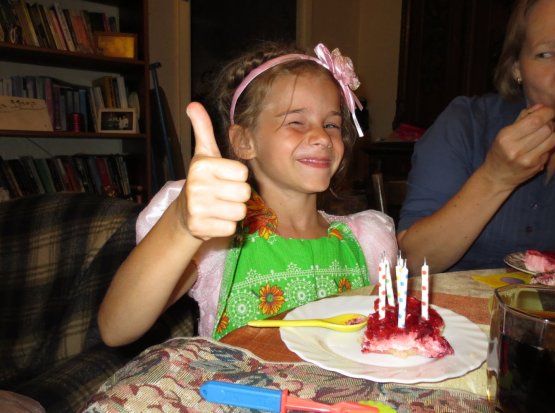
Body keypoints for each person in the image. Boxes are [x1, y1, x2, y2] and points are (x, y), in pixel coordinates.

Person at [98, 42, 398, 346]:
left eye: (331, 124)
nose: (322, 137)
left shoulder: (364, 243)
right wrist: (180, 225)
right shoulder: (220, 241)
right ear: (244, 141)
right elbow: (116, 328)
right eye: (296, 121)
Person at [398, 0, 555, 274]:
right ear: (516, 67)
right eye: (545, 54)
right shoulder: (465, 124)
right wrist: (496, 177)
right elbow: (412, 261)